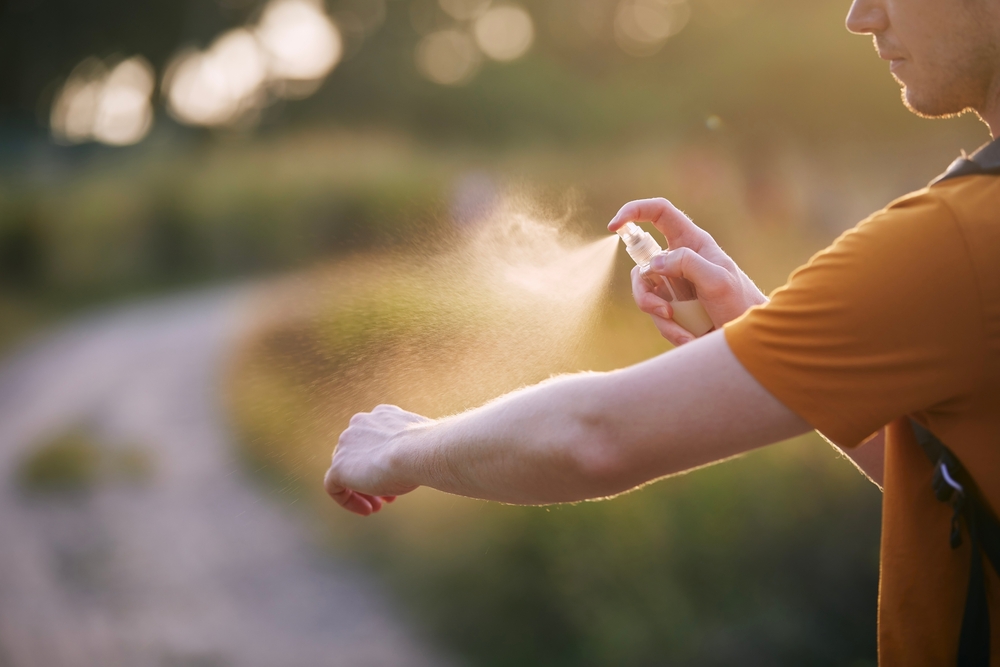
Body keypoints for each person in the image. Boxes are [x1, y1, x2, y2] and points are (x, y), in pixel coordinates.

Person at [324, 0, 1000, 663]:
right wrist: (757, 331)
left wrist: (401, 445)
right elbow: (946, 474)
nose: (861, 16)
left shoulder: (959, 237)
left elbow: (594, 436)